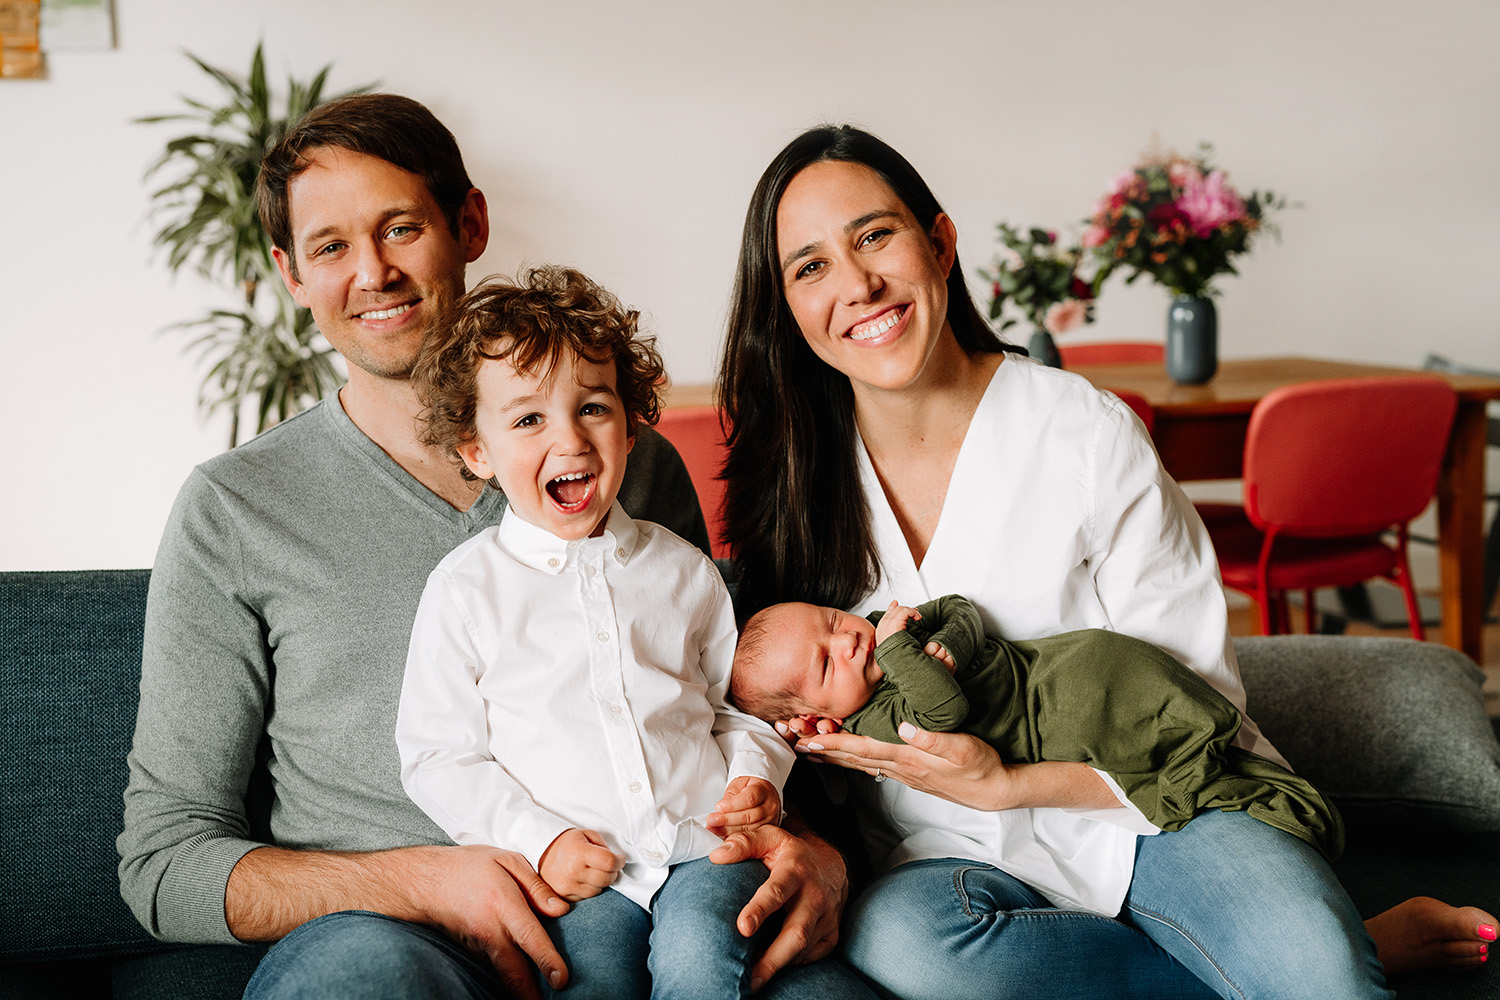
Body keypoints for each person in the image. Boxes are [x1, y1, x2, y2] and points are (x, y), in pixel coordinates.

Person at [716, 122, 1496, 998]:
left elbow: (1200, 698)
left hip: (1157, 807)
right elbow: (757, 699)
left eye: (874, 235)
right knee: (911, 952)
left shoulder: (1083, 432)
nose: (856, 284)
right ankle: (1340, 951)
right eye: (810, 266)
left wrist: (1010, 784)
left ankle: (1321, 959)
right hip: (943, 855)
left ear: (939, 242)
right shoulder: (790, 484)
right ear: (785, 305)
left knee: (1326, 981)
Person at [118, 94, 858, 1000]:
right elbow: (164, 863)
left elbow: (706, 711)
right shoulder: (236, 509)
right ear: (291, 273)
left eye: (400, 227)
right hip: (392, 937)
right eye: (331, 247)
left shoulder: (634, 468)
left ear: (469, 223)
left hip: (653, 894)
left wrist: (816, 852)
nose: (374, 272)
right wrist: (421, 883)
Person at [396, 265, 797, 998]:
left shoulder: (684, 571)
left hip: (701, 851)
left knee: (703, 960)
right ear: (476, 450)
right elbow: (439, 758)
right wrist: (539, 840)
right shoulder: (464, 590)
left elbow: (733, 709)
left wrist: (756, 777)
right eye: (528, 420)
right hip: (578, 879)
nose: (570, 439)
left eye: (592, 407)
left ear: (632, 423)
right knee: (583, 982)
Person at [731, 595, 1341, 864]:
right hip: (1060, 709)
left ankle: (1211, 736)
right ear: (817, 717)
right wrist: (902, 649)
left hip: (1069, 659)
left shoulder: (885, 640)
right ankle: (1208, 752)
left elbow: (959, 609)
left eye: (831, 620)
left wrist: (947, 643)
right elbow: (943, 712)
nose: (847, 638)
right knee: (1152, 727)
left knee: (1150, 689)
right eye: (826, 662)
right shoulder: (876, 722)